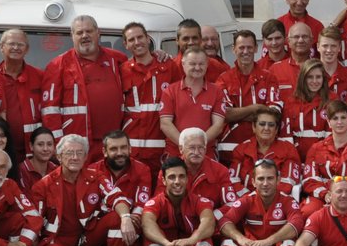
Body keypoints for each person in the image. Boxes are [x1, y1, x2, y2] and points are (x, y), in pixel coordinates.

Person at [29, 133, 139, 246]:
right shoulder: (43, 185)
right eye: (69, 153)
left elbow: (117, 197)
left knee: (116, 217)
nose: (74, 157)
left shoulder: (95, 176)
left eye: (79, 153)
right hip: (59, 240)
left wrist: (126, 217)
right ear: (59, 157)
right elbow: (34, 225)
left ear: (86, 157)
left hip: (87, 238)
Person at [40, 15, 126, 161]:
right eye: (79, 33)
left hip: (113, 144)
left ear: (98, 32)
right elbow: (50, 110)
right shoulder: (58, 65)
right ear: (72, 36)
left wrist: (158, 55)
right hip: (77, 146)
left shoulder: (117, 59)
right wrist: (59, 145)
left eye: (89, 31)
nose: (85, 36)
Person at [216, 158, 303, 246]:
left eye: (270, 178)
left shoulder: (287, 201)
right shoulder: (247, 200)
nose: (265, 183)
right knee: (229, 240)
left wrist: (268, 241)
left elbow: (297, 224)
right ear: (253, 181)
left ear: (278, 180)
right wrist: (242, 239)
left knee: (289, 241)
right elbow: (224, 221)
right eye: (261, 179)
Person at [140, 156, 219, 246]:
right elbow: (147, 223)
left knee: (204, 238)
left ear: (187, 179)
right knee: (152, 240)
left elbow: (209, 223)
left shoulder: (200, 201)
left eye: (181, 176)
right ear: (163, 180)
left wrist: (190, 241)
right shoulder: (154, 203)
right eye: (172, 177)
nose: (177, 182)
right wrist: (166, 243)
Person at [211, 29, 282, 163]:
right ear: (234, 49)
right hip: (229, 149)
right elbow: (225, 114)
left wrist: (239, 115)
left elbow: (275, 113)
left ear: (256, 48)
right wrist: (257, 108)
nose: (245, 51)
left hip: (262, 149)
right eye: (241, 47)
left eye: (249, 47)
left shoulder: (269, 78)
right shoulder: (224, 79)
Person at [120, 20, 180, 170]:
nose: (137, 42)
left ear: (148, 39)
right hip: (132, 150)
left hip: (162, 149)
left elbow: (181, 102)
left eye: (140, 37)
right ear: (126, 45)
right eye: (131, 40)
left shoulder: (169, 67)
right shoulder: (122, 71)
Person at [302, 99, 347, 204]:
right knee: (308, 210)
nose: (339, 122)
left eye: (343, 117)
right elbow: (310, 180)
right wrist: (325, 194)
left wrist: (343, 196)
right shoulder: (315, 149)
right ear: (328, 122)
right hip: (323, 198)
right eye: (335, 118)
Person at [227, 106, 305, 201]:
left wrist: (268, 199)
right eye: (262, 124)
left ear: (276, 130)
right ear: (254, 127)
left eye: (271, 125)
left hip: (276, 202)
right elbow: (233, 180)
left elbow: (288, 181)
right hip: (246, 201)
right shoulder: (241, 149)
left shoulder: (288, 149)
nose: (266, 128)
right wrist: (250, 198)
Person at [159, 46, 221, 159]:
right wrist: (186, 146)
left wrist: (198, 146)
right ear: (183, 64)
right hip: (176, 154)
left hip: (205, 155)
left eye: (201, 64)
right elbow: (165, 124)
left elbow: (218, 125)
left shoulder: (217, 91)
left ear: (207, 64)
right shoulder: (170, 91)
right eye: (192, 64)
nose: (197, 67)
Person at [0, 28, 44, 157]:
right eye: (11, 43)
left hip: (34, 150)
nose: (16, 47)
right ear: (1, 47)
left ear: (26, 49)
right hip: (2, 149)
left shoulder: (40, 76)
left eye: (20, 44)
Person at [284, 60, 334, 153]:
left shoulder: (332, 99)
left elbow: (333, 134)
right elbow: (286, 135)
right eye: (310, 77)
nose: (314, 81)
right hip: (296, 156)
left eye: (318, 77)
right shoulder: (291, 101)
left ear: (323, 78)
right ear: (303, 79)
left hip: (324, 156)